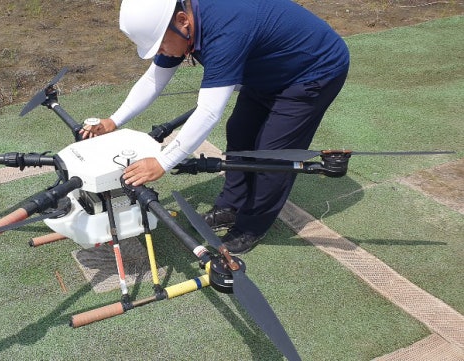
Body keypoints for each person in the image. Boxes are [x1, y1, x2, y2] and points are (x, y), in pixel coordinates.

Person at [79, 0, 350, 254]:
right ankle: (231, 205)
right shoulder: (181, 23)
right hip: (268, 67)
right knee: (240, 132)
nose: (161, 53)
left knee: (272, 153)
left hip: (314, 70)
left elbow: (208, 112)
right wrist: (113, 120)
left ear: (183, 21)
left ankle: (252, 226)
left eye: (160, 46)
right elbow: (154, 80)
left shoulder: (224, 31)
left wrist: (163, 161)